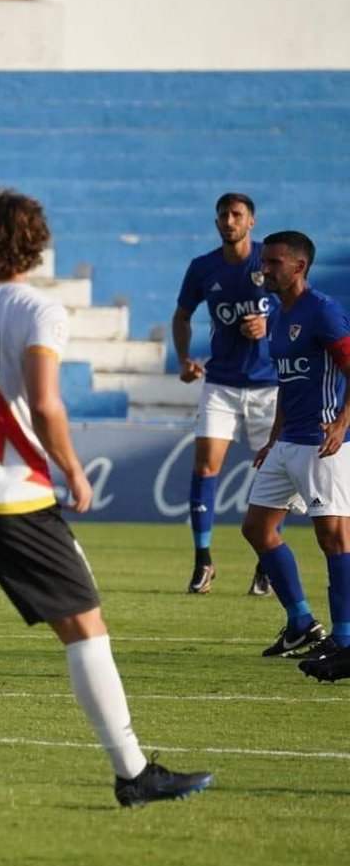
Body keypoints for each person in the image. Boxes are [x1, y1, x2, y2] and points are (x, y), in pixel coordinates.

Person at [0, 187, 212, 806]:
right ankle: (133, 772)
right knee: (86, 629)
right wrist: (73, 471)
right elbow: (44, 402)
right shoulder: (38, 309)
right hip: (18, 501)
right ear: (37, 244)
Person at [237, 231, 350, 673]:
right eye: (264, 261)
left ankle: (344, 641)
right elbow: (288, 381)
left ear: (299, 266)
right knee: (257, 528)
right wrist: (272, 437)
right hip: (287, 442)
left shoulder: (322, 311)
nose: (264, 268)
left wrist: (342, 423)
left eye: (274, 262)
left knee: (334, 539)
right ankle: (301, 621)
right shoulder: (277, 315)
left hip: (324, 443)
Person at [171, 193, 276, 596]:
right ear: (216, 222)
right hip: (222, 383)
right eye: (223, 215)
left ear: (251, 221)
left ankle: (266, 563)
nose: (229, 221)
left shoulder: (272, 259)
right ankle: (203, 561)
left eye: (237, 215)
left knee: (271, 475)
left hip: (270, 386)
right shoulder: (203, 267)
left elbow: (297, 307)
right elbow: (181, 316)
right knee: (205, 468)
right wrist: (183, 359)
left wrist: (269, 324)